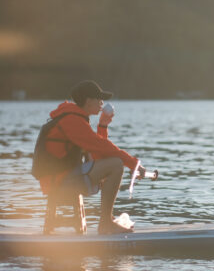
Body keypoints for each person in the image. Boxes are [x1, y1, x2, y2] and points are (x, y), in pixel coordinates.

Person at [38, 80, 144, 234]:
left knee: (112, 163)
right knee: (115, 165)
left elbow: (98, 154)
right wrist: (135, 164)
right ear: (88, 101)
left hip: (61, 177)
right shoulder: (72, 121)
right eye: (98, 98)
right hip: (58, 181)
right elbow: (103, 148)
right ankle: (106, 223)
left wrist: (102, 126)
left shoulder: (75, 119)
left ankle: (107, 220)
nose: (102, 103)